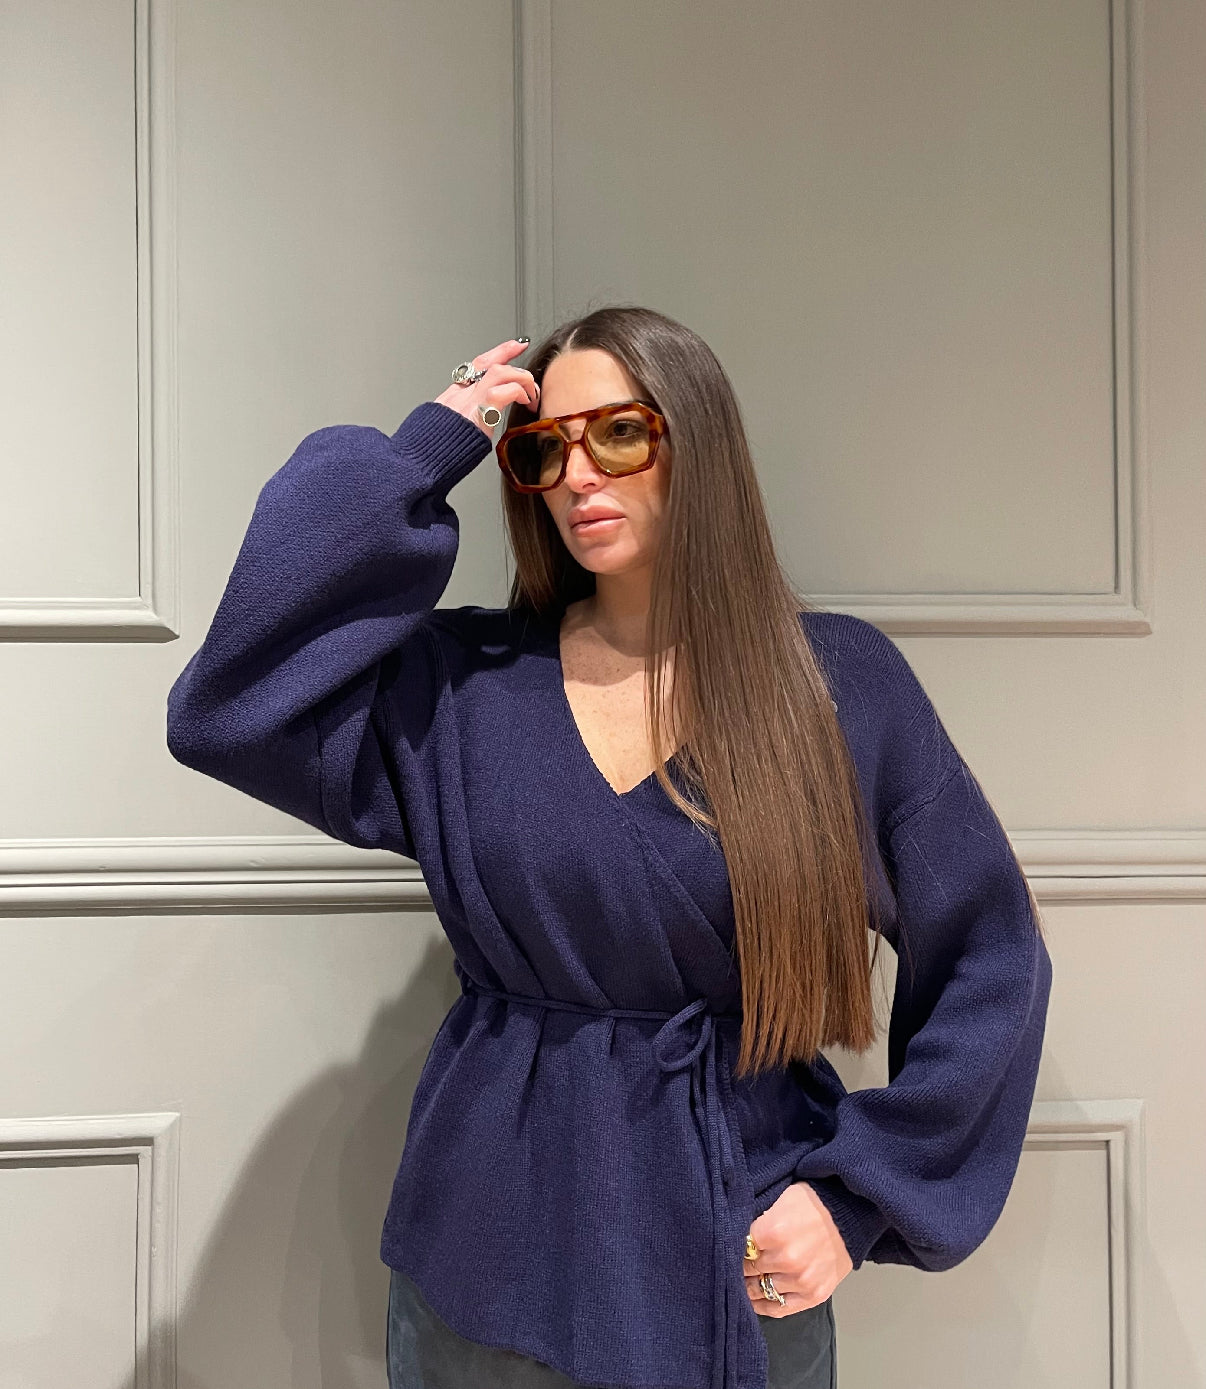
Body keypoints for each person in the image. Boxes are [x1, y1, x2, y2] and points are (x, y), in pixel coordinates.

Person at [166, 305, 1053, 1389]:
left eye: (621, 433)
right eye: (545, 449)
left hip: (732, 1251)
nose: (577, 474)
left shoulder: (833, 689)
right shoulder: (464, 686)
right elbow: (228, 707)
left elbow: (991, 955)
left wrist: (859, 1195)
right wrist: (419, 456)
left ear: (700, 442)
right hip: (484, 1250)